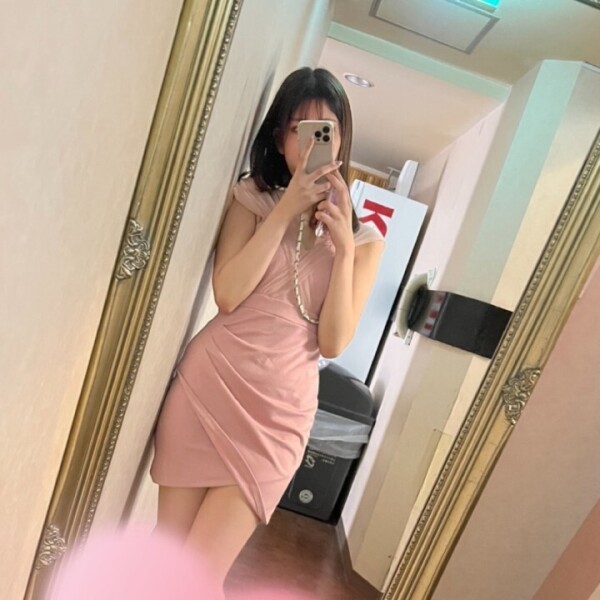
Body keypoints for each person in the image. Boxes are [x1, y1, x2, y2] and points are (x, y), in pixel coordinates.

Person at [150, 67, 384, 596]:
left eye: (325, 130)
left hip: (276, 420)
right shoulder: (251, 199)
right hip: (207, 391)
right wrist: (283, 214)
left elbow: (332, 342)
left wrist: (344, 250)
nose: (311, 143)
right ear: (280, 140)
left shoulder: (365, 242)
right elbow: (228, 294)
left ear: (342, 139)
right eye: (299, 129)